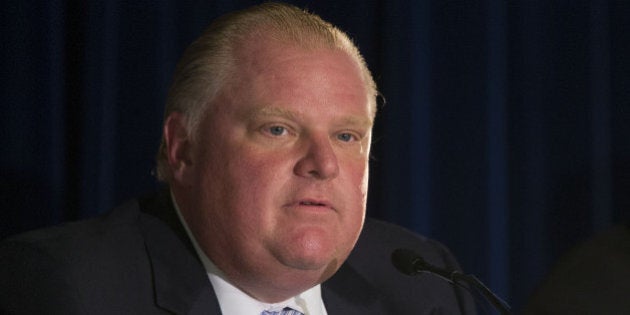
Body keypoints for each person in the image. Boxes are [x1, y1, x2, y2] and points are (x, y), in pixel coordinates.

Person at [0, 3, 476, 314]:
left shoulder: (425, 287)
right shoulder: (62, 290)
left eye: (347, 136)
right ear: (183, 149)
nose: (323, 164)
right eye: (278, 129)